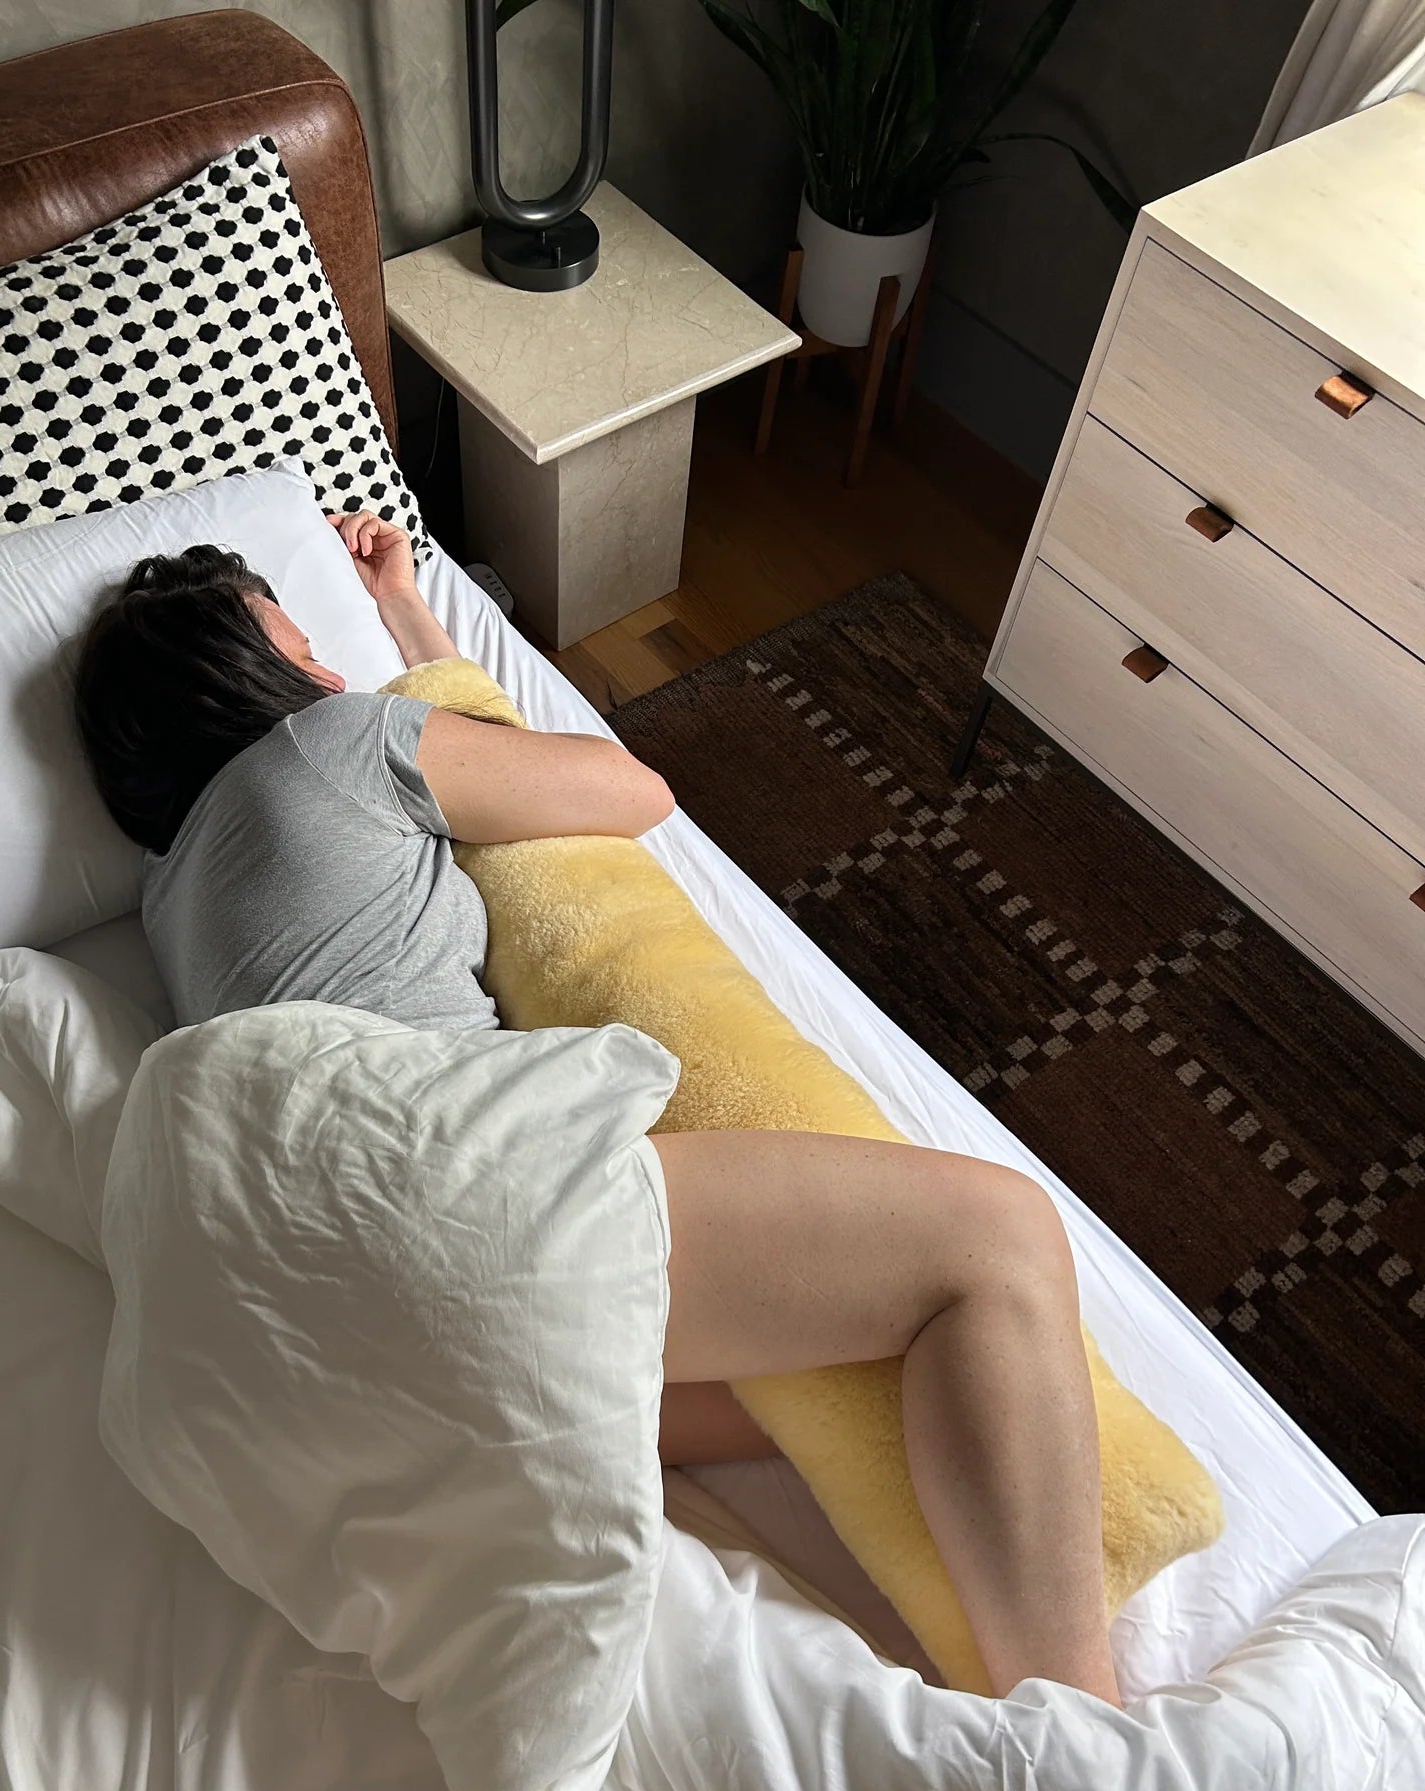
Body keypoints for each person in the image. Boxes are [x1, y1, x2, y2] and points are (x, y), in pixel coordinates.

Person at [74, 508, 1120, 1705]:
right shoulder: (332, 742)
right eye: (298, 640)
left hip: (324, 1326)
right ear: (255, 674)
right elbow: (629, 790)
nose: (323, 659)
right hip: (448, 1201)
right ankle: (1090, 1728)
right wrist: (407, 627)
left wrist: (412, 605)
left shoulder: (166, 907)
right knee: (997, 1241)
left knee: (799, 1395)